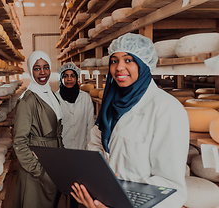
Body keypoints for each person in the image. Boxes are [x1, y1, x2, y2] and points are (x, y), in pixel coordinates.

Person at [71, 33, 189, 208]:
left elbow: (170, 188)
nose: (119, 67)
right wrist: (95, 189)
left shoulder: (166, 109)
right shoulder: (110, 105)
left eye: (128, 60)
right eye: (114, 61)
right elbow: (95, 147)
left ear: (143, 64)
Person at [12, 51, 64, 208]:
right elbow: (20, 142)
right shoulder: (27, 101)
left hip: (52, 159)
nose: (42, 72)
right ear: (30, 70)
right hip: (37, 165)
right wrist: (40, 171)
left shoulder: (51, 94)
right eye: (37, 68)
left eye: (46, 67)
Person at [55, 62, 95, 208]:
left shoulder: (85, 98)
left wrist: (88, 151)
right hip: (61, 149)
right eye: (66, 76)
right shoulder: (55, 98)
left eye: (72, 76)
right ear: (61, 78)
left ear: (77, 78)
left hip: (80, 149)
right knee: (58, 185)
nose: (69, 79)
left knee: (76, 187)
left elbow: (89, 126)